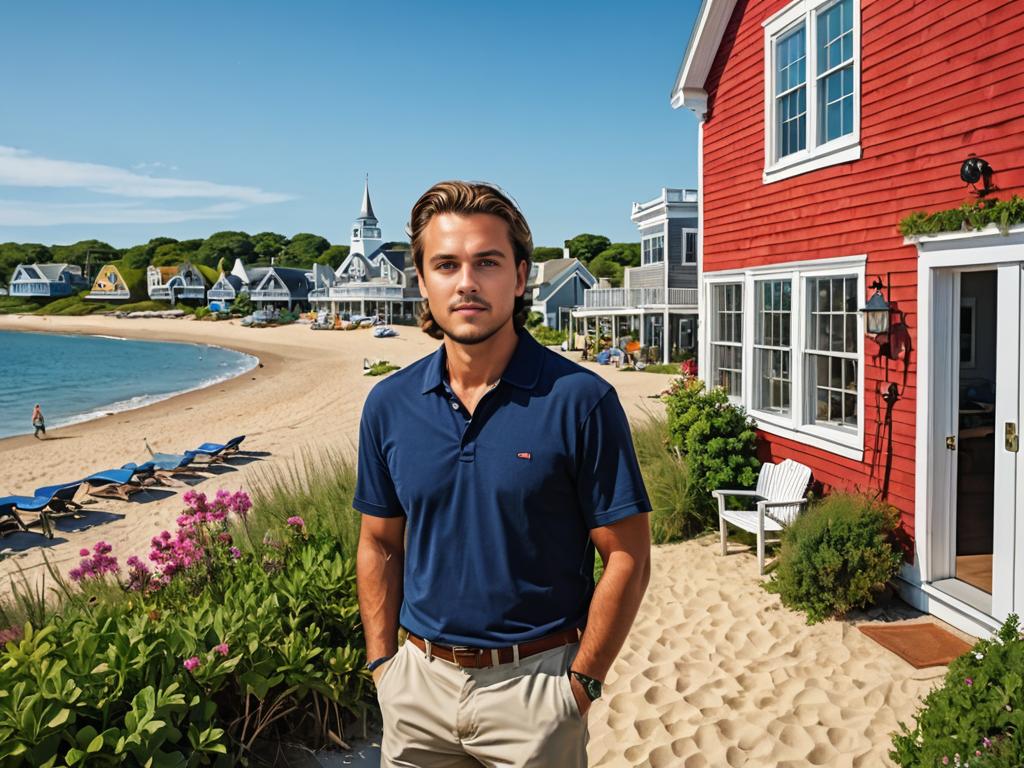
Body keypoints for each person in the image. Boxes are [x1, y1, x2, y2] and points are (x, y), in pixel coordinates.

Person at [355, 180, 651, 768]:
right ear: (423, 282)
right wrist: (383, 665)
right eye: (446, 264)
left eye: (486, 262)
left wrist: (582, 684)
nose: (466, 282)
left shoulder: (581, 401)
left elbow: (628, 556)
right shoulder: (388, 404)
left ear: (519, 279)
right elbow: (379, 542)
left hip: (537, 690)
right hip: (417, 688)